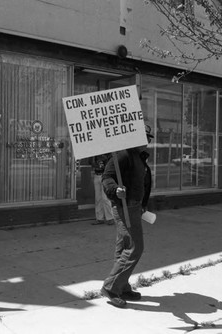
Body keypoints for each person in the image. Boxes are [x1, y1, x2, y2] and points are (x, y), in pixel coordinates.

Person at [100, 124, 154, 308]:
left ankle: (121, 286)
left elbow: (142, 183)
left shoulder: (138, 156)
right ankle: (110, 287)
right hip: (124, 207)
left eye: (149, 138)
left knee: (124, 247)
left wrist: (143, 204)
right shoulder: (122, 154)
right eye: (145, 137)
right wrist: (116, 189)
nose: (148, 141)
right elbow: (107, 178)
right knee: (135, 247)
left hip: (134, 207)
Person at [90, 154, 114, 225]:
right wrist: (93, 158)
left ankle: (110, 218)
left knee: (105, 198)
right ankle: (99, 218)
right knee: (98, 198)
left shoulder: (107, 154)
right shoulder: (94, 155)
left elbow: (109, 165)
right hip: (97, 175)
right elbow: (91, 163)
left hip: (104, 176)